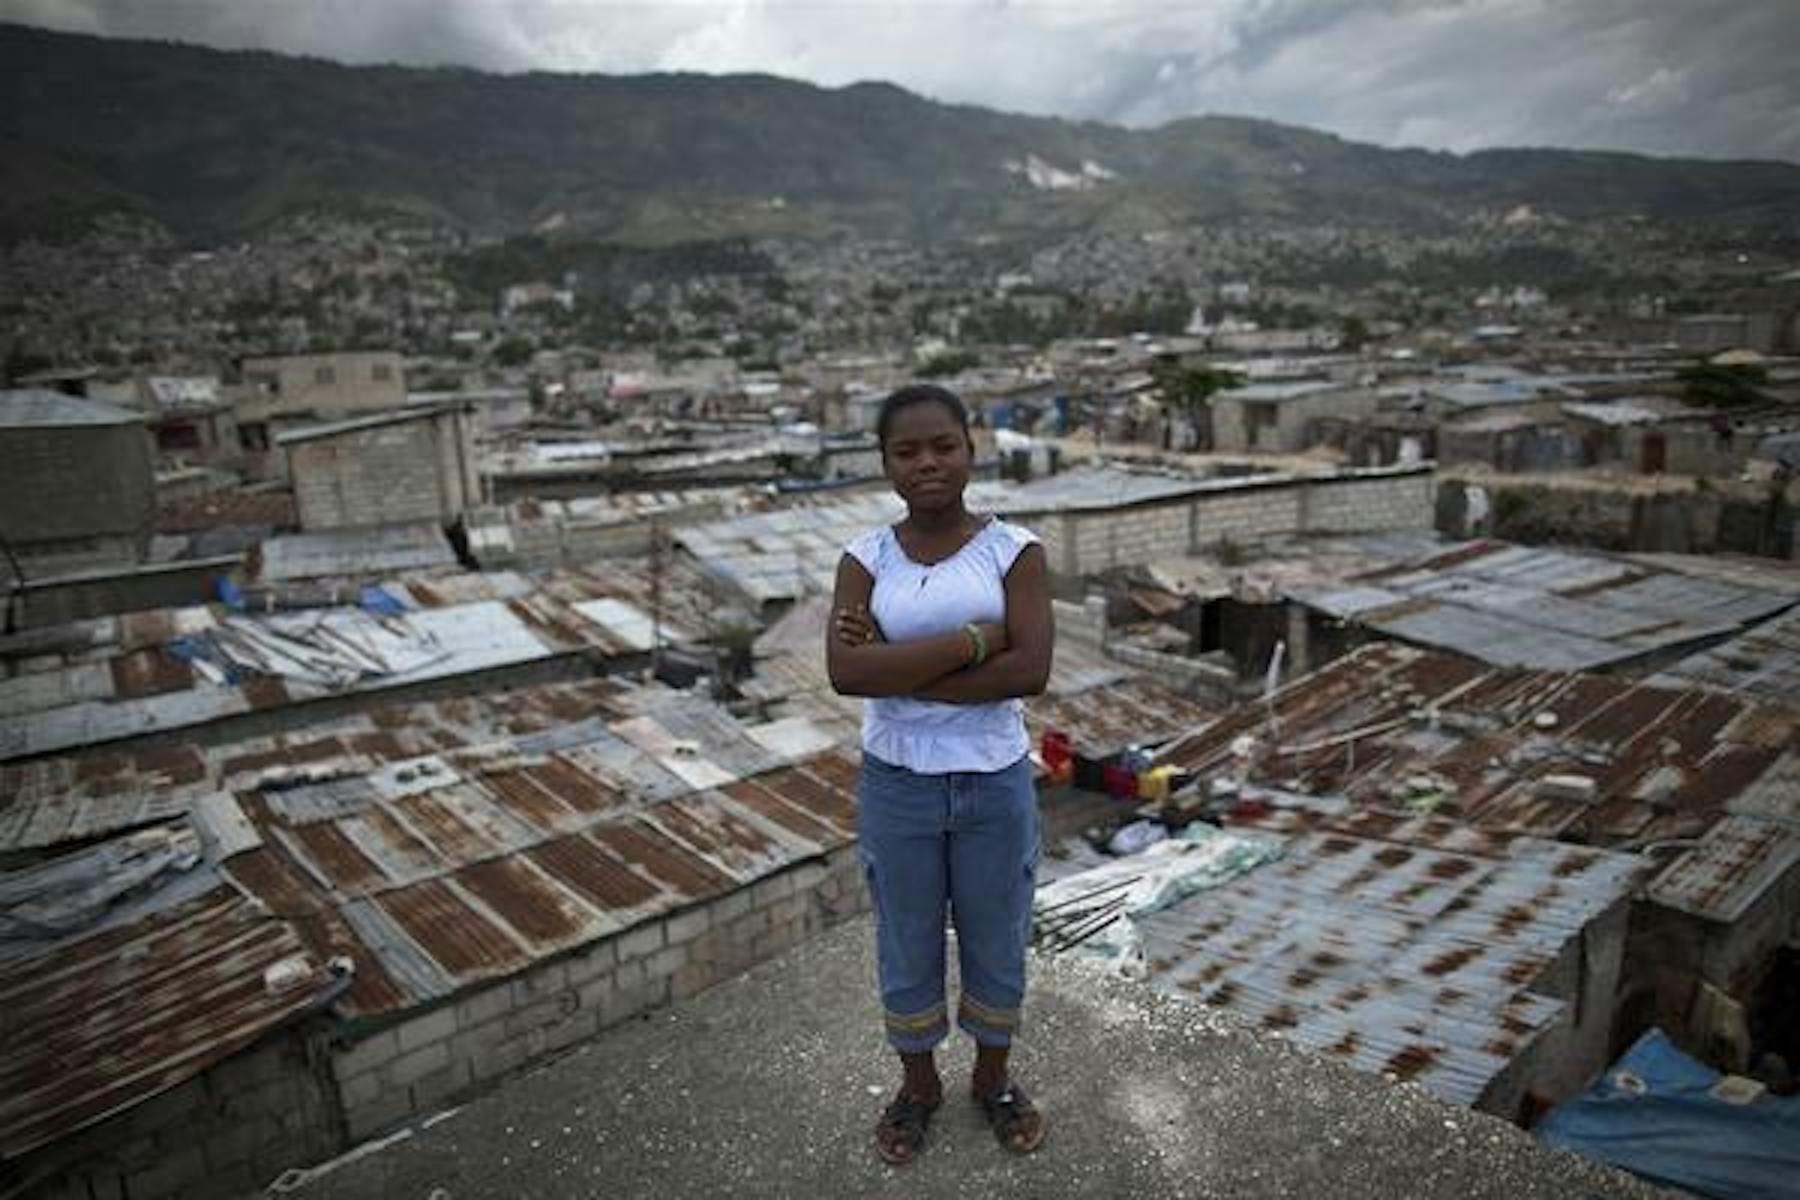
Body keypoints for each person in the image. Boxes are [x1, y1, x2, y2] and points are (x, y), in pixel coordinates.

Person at [826, 383, 1054, 1166]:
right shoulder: (865, 558)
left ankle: (991, 1081)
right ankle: (918, 1087)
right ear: (885, 462)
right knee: (907, 938)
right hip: (899, 784)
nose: (927, 463)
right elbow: (844, 672)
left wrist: (895, 664)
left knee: (998, 935)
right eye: (907, 451)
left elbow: (1033, 669)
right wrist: (972, 641)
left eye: (942, 446)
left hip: (993, 782)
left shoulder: (1013, 551)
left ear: (970, 449)